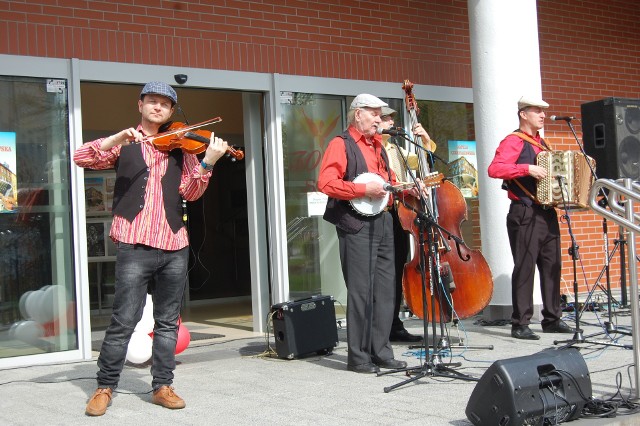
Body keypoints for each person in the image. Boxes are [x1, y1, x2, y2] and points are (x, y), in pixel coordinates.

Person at [74, 81, 230, 415]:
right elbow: (81, 157)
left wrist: (209, 162)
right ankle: (105, 386)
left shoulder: (183, 147)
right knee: (123, 319)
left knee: (167, 321)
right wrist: (116, 138)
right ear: (140, 105)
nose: (158, 107)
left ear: (172, 112)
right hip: (134, 243)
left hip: (174, 244)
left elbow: (190, 192)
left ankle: (162, 385)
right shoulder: (124, 144)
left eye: (165, 104)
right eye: (152, 101)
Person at [317, 94, 425, 374]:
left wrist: (404, 189)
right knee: (361, 292)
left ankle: (382, 351)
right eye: (374, 113)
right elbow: (326, 183)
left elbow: (386, 184)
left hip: (384, 222)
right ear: (358, 115)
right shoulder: (341, 145)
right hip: (356, 224)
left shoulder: (380, 147)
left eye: (380, 114)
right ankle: (359, 356)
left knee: (387, 290)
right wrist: (362, 190)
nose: (379, 119)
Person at [487, 95, 574, 340]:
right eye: (537, 111)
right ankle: (520, 323)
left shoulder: (542, 144)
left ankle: (552, 319)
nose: (543, 115)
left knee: (552, 266)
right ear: (523, 114)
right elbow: (495, 169)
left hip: (546, 212)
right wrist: (526, 169)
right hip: (524, 211)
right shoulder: (514, 141)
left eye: (544, 111)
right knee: (525, 267)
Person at [379, 106, 429, 343]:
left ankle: (394, 325)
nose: (390, 121)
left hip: (399, 215)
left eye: (390, 117)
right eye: (385, 118)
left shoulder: (395, 149)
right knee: (382, 275)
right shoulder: (372, 148)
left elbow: (421, 161)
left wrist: (424, 139)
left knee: (397, 270)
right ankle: (380, 326)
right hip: (380, 214)